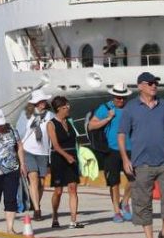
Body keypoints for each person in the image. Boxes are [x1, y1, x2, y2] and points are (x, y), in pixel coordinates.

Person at [118, 71, 164, 238]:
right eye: (150, 83)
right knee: (142, 203)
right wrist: (125, 158)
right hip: (141, 163)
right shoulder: (131, 108)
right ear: (140, 86)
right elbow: (122, 134)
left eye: (155, 83)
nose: (154, 86)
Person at [88, 82, 133, 222]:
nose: (120, 100)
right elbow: (91, 125)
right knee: (114, 182)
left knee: (134, 178)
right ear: (113, 96)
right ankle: (116, 211)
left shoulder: (132, 108)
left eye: (123, 98)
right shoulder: (106, 108)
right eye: (117, 97)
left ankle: (125, 202)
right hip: (111, 150)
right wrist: (108, 118)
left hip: (130, 148)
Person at [47, 95, 84, 229]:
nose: (68, 108)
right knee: (58, 191)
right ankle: (55, 215)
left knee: (73, 188)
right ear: (58, 109)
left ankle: (73, 220)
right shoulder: (51, 124)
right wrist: (66, 156)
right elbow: (55, 145)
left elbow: (76, 140)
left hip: (72, 156)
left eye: (68, 105)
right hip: (59, 157)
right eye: (65, 107)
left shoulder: (70, 121)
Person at [17, 89, 54, 219]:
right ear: (35, 103)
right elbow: (19, 134)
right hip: (28, 151)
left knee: (42, 182)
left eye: (43, 100)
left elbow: (53, 134)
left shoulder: (50, 116)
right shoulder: (26, 115)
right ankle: (37, 210)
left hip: (43, 152)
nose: (42, 103)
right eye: (40, 101)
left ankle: (35, 202)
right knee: (33, 178)